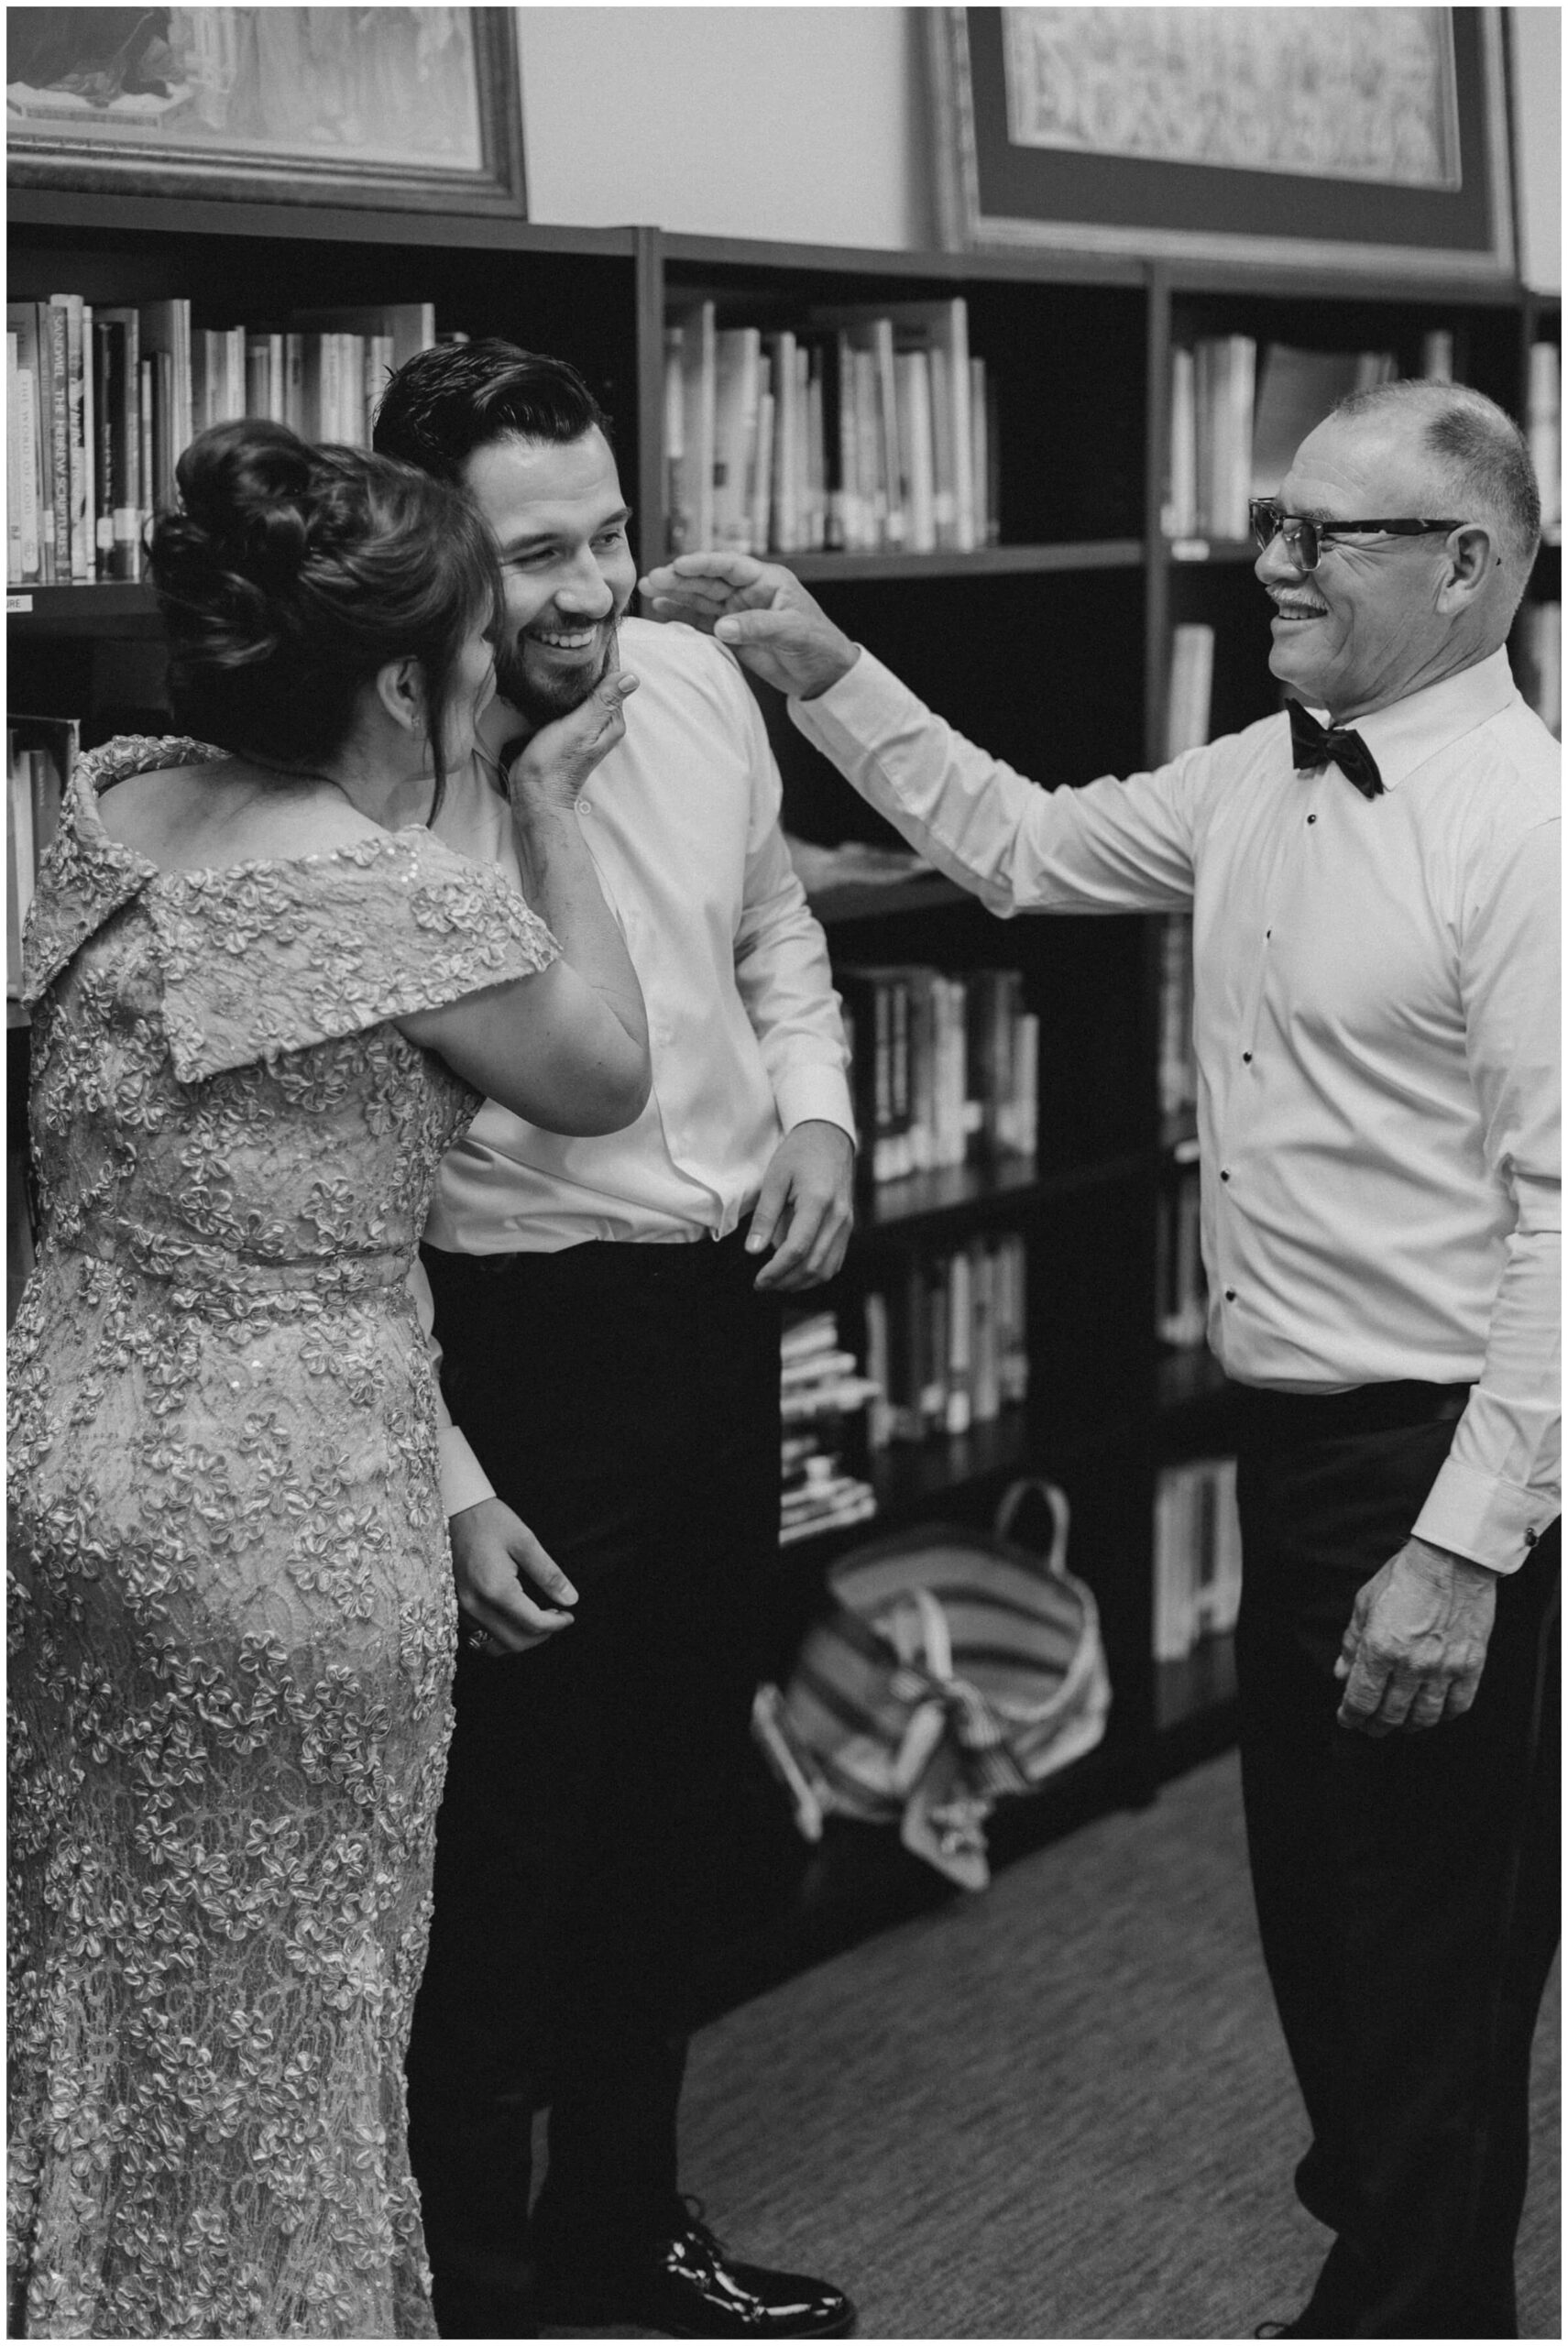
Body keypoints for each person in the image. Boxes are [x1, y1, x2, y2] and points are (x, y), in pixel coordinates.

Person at [642, 378, 1560, 2341]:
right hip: (1283, 1430)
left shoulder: (1529, 836)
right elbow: (1029, 848)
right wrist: (824, 668)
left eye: (1328, 536)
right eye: (1275, 525)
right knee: (1323, 1914)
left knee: (1429, 1938)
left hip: (1435, 1456)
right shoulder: (1259, 769)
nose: (1273, 565)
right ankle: (1400, 2218)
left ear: (1470, 566)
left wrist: (1465, 1545)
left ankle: (1421, 2303)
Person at [6, 419, 652, 2340]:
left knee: (80, 1984)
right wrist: (546, 809)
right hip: (283, 1533)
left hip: (55, 1471)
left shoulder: (99, 806)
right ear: (399, 673)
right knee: (291, 2032)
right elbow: (608, 1074)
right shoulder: (393, 901)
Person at [371, 343, 859, 2341]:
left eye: (609, 537)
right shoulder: (380, 798)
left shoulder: (701, 686)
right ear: (429, 567)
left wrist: (822, 1113)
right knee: (500, 1852)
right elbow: (336, 1209)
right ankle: (469, 2286)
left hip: (715, 1309)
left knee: (669, 1809)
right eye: (534, 556)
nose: (588, 592)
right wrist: (454, 1470)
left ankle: (624, 2227)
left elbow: (777, 937)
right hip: (505, 1341)